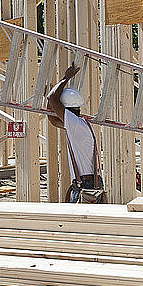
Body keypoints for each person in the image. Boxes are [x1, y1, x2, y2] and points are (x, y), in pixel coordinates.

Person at [46, 62, 103, 203]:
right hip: (87, 184)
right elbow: (53, 120)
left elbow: (52, 99)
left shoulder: (76, 124)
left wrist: (66, 77)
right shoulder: (78, 125)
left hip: (87, 186)